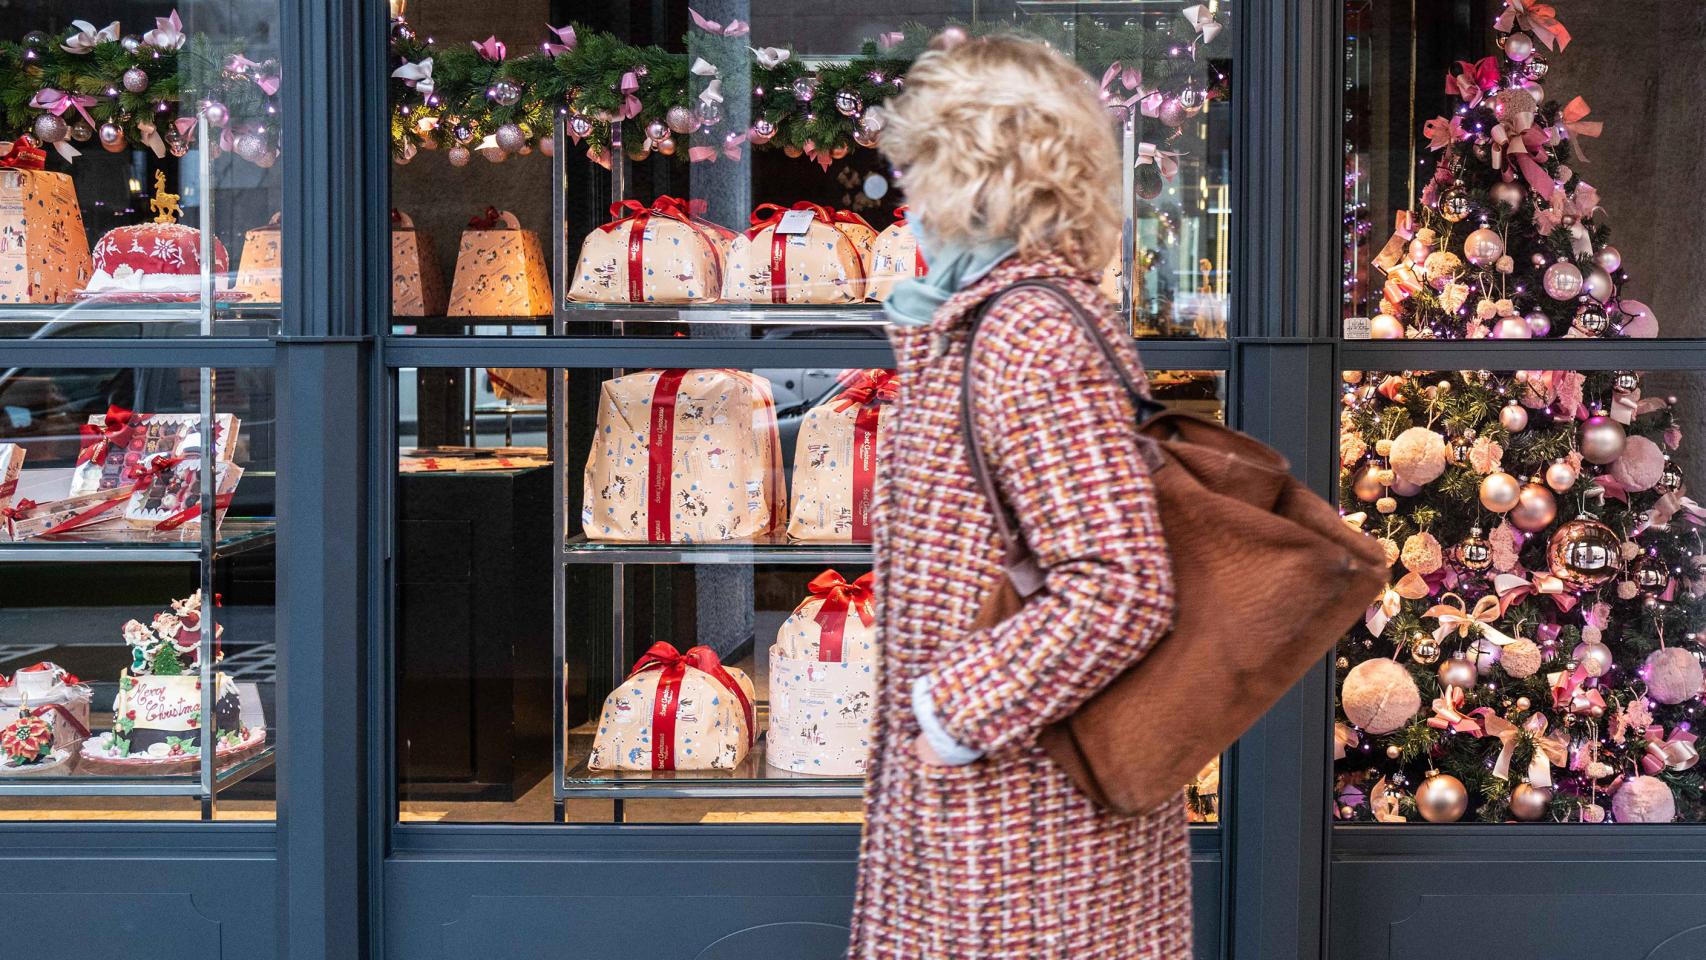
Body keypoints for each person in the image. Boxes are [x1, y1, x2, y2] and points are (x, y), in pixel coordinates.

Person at [848, 32, 1189, 960]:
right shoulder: (994, 317)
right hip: (1000, 815)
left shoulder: (1030, 333)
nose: (906, 189)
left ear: (979, 171)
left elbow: (1118, 583)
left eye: (921, 161)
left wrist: (953, 715)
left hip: (1025, 832)